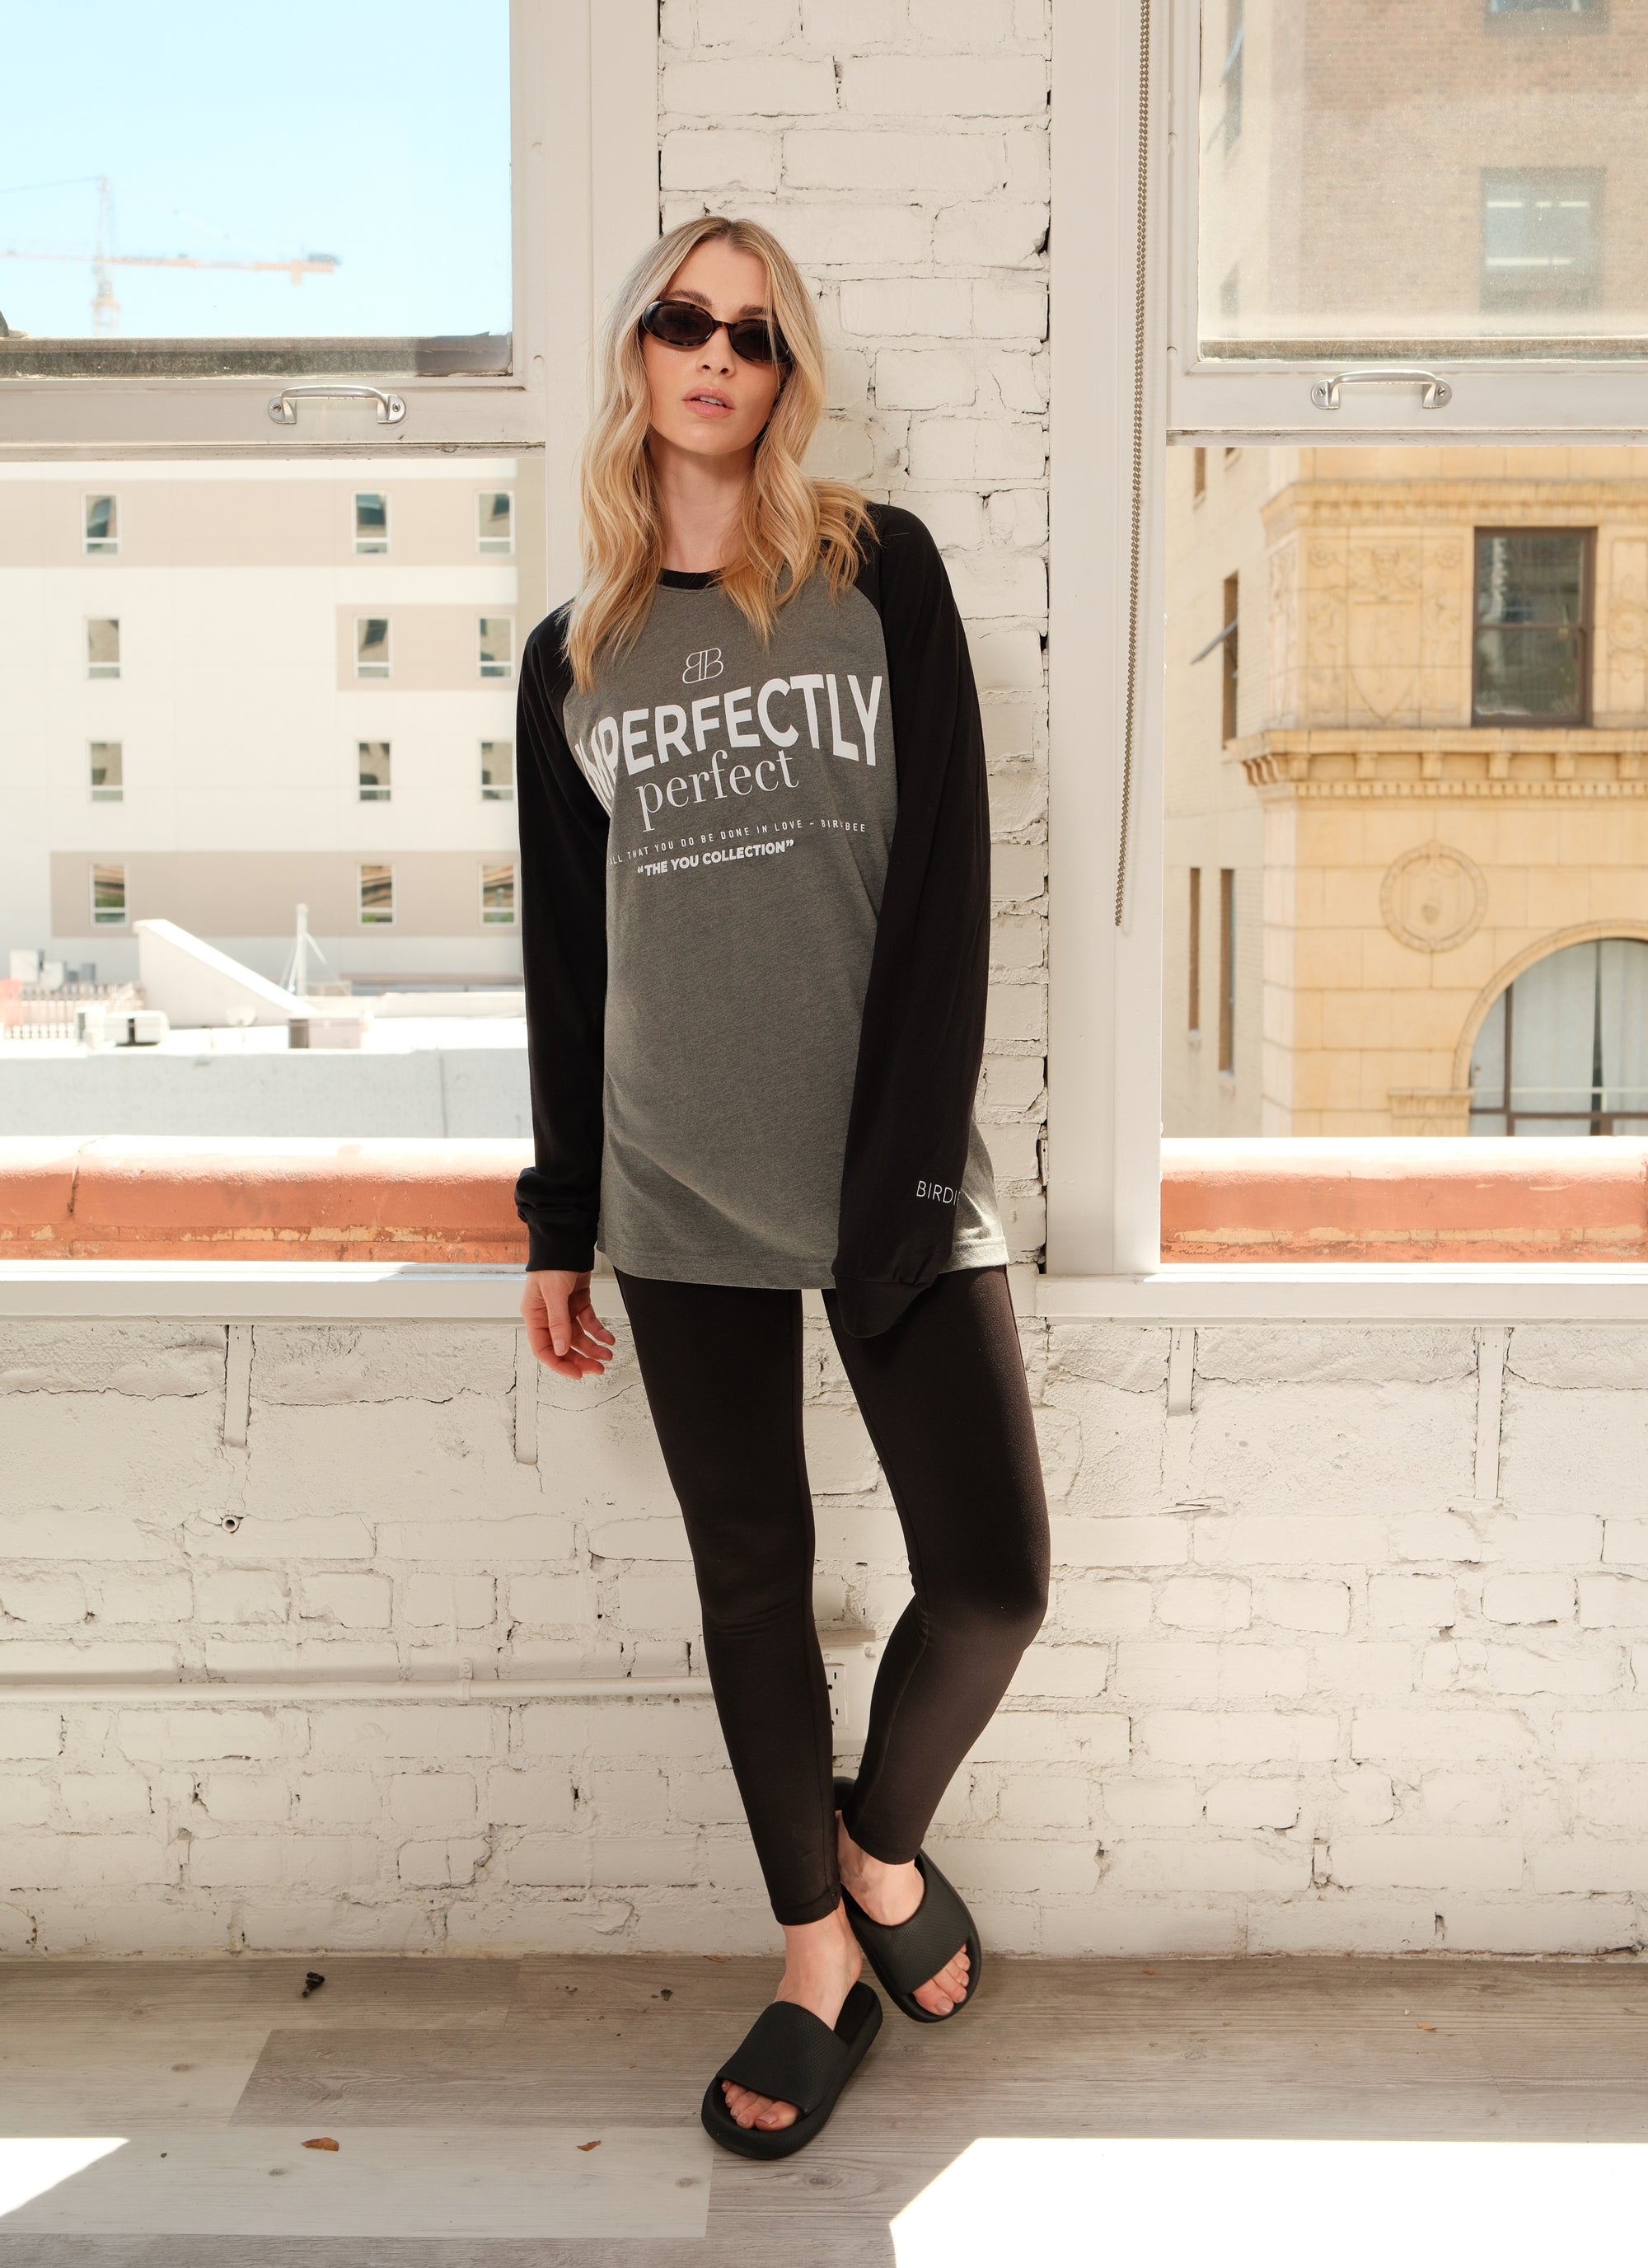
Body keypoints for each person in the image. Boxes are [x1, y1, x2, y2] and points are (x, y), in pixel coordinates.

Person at [516, 213, 1050, 2162]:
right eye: (681, 320)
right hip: (674, 1194)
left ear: (785, 368)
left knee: (991, 1575)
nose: (714, 354)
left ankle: (880, 1850)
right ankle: (816, 1949)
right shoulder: (566, 657)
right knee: (751, 1584)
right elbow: (570, 971)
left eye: (751, 330)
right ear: (639, 358)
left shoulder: (873, 573)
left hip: (886, 1181)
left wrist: (912, 1173)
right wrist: (559, 1218)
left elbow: (946, 892)